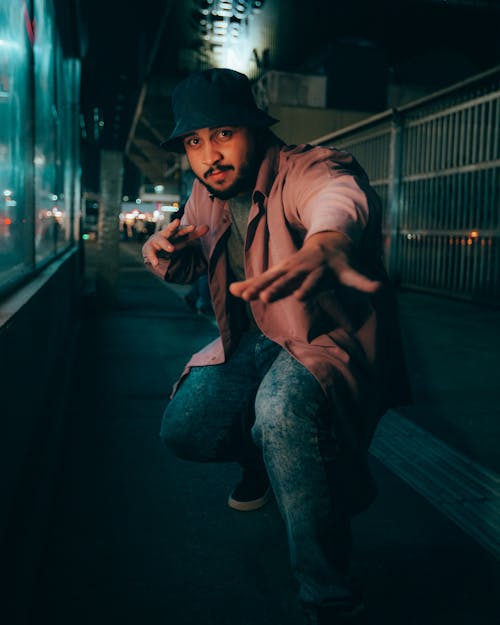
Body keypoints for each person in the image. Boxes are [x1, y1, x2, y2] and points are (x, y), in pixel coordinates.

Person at [142, 68, 411, 625]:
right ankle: (265, 462)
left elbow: (336, 195)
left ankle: (330, 595)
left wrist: (328, 244)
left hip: (317, 339)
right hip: (253, 338)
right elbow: (188, 260)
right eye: (194, 141)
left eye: (222, 134)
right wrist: (161, 247)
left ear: (254, 129)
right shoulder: (206, 192)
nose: (208, 154)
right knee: (184, 427)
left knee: (281, 414)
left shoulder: (307, 166)